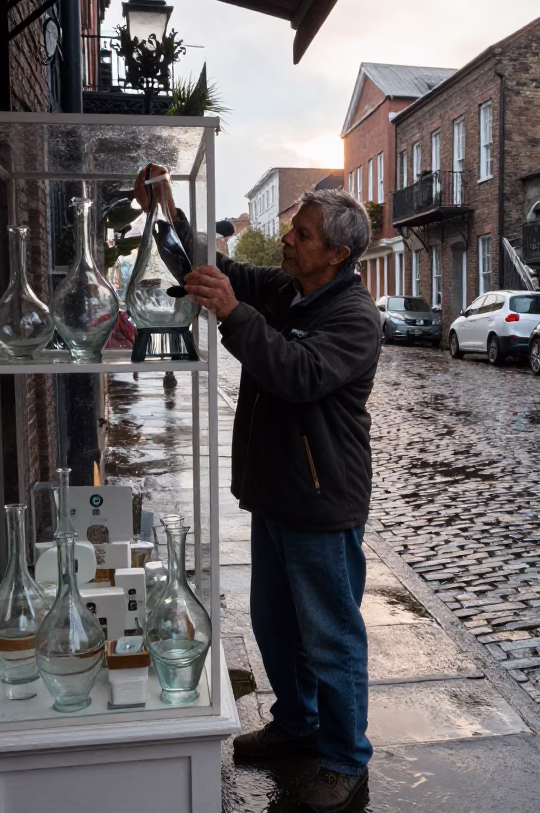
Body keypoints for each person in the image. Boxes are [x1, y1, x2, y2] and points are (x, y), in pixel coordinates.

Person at [135, 166, 380, 813]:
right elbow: (210, 271)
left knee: (330, 635)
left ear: (337, 253)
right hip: (275, 489)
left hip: (321, 499)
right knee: (274, 625)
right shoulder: (288, 288)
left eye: (303, 234)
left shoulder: (355, 316)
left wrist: (234, 314)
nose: (287, 240)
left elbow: (298, 373)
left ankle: (345, 759)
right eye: (293, 229)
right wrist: (167, 213)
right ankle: (297, 724)